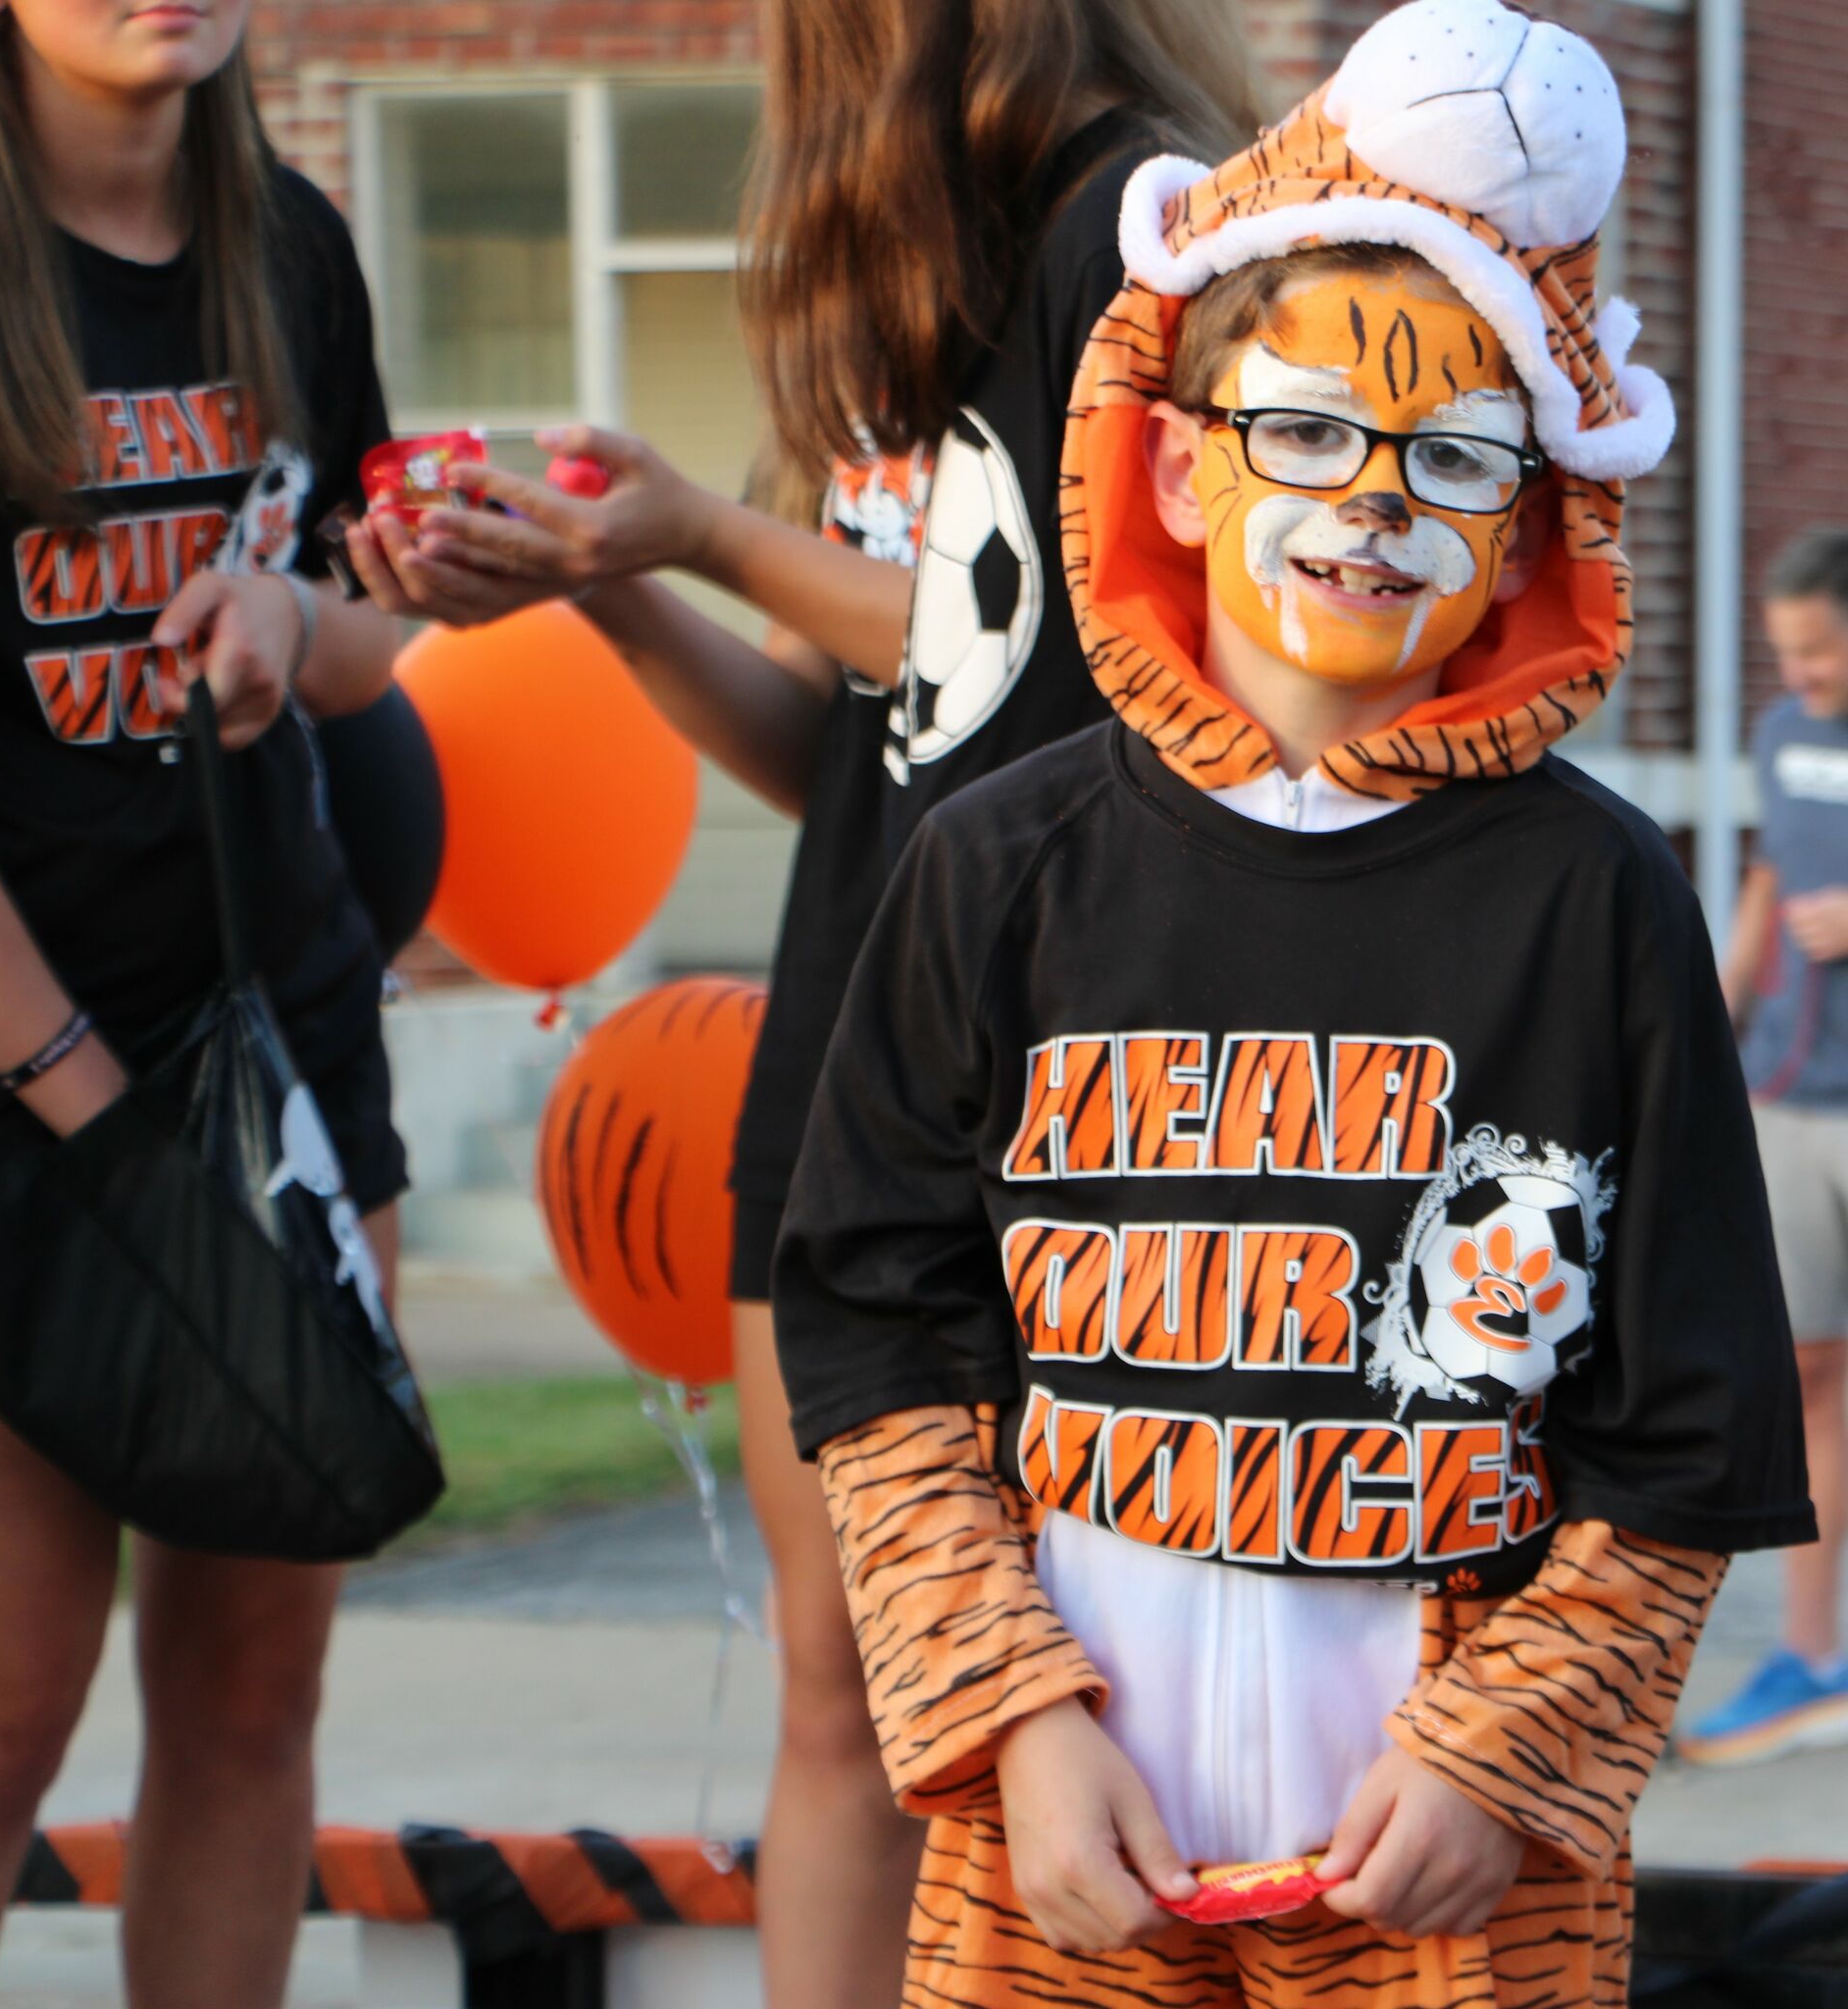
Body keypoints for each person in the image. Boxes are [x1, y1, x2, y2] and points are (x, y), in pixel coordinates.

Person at [770, 2, 1816, 2002]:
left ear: (1526, 515)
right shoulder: (993, 872)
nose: (1370, 502)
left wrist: (1504, 1762)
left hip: (1459, 1883)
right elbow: (875, 1341)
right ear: (1170, 463)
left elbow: (1682, 1439)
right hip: (1061, 1849)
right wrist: (1013, 1730)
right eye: (1308, 431)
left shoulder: (1597, 904)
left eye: (1449, 456)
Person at [346, 2, 1263, 2001]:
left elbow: (1074, 657)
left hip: (1072, 1096)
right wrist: (611, 574)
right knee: (848, 1687)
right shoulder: (919, 285)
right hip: (846, 1060)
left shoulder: (1138, 227)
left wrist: (698, 521)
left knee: (1089, 1700)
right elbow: (869, 745)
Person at [0, 2, 405, 2001]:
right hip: (20, 1078)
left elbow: (366, 620)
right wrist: (86, 1105)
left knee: (249, 1707)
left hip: (278, 1052)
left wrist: (297, 617)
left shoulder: (289, 238)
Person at [1683, 526, 1848, 1765]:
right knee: (1807, 1384)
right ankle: (1807, 1658)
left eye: (1819, 651)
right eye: (1785, 652)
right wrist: (1710, 1016)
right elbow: (1759, 879)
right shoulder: (1780, 734)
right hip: (1794, 1102)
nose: (1799, 674)